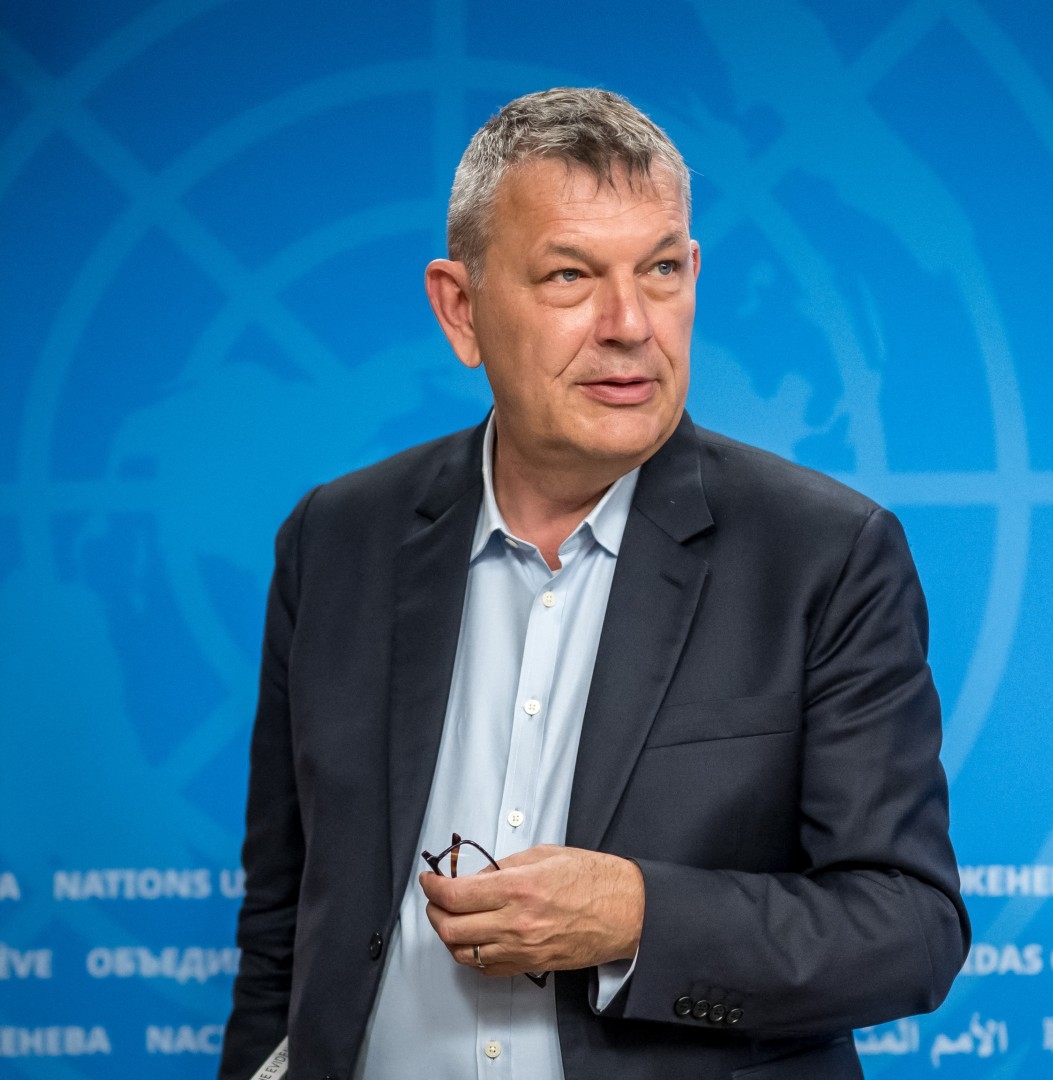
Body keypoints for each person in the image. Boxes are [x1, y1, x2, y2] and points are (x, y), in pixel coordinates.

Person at [218, 87, 968, 1080]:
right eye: (571, 276)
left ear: (694, 274)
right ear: (460, 308)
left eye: (660, 270)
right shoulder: (335, 539)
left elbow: (909, 930)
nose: (629, 324)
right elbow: (284, 916)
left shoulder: (827, 556)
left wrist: (636, 917)